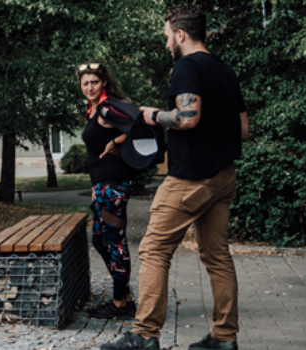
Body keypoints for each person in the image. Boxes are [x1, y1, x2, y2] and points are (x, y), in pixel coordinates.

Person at [101, 6, 249, 350]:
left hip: (190, 179)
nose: (167, 42)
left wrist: (153, 115)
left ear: (180, 34)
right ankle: (225, 339)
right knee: (217, 256)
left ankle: (144, 335)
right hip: (224, 176)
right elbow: (243, 129)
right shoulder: (225, 70)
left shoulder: (187, 66)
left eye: (167, 35)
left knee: (153, 250)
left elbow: (186, 118)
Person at [77, 60, 138, 319]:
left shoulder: (107, 109)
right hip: (103, 186)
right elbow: (93, 153)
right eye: (85, 83)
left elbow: (141, 125)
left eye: (94, 82)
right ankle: (123, 294)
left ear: (104, 83)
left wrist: (116, 141)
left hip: (114, 185)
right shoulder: (92, 110)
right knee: (100, 240)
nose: (90, 87)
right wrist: (94, 186)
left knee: (114, 241)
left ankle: (119, 303)